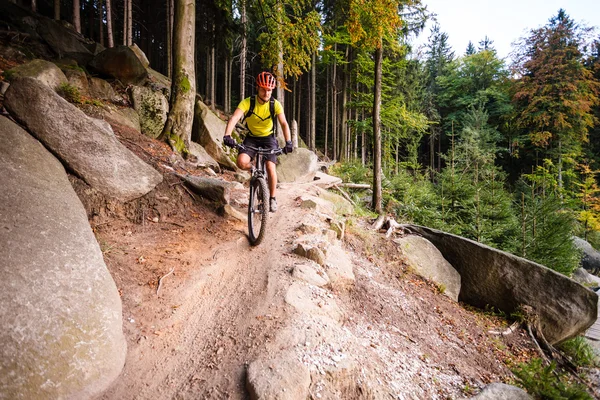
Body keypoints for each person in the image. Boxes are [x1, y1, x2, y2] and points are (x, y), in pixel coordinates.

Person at [223, 71, 293, 213]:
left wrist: (289, 142)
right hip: (252, 138)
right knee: (241, 162)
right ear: (257, 88)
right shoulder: (248, 102)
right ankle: (254, 169)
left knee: (270, 168)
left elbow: (284, 123)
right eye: (263, 89)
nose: (266, 93)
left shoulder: (275, 104)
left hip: (269, 139)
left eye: (269, 90)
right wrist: (227, 135)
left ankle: (272, 198)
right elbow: (234, 118)